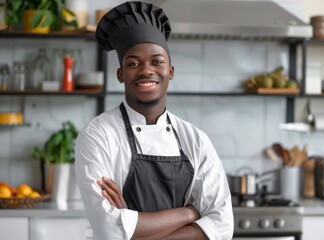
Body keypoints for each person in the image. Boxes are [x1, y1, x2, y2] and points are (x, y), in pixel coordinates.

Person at [74, 1, 234, 239]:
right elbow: (109, 228)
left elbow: (222, 226)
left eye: (157, 61)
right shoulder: (98, 135)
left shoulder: (196, 140)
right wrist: (191, 212)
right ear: (120, 74)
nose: (146, 70)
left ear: (170, 70)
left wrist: (134, 225)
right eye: (133, 63)